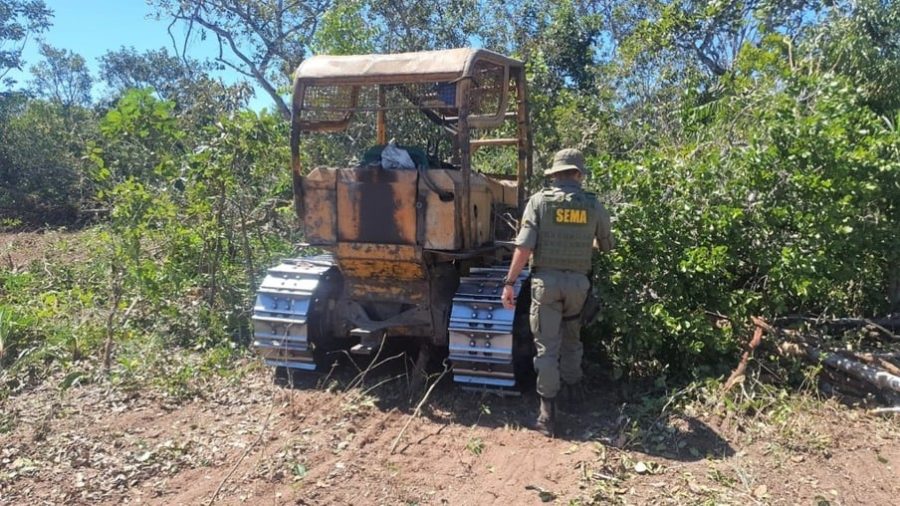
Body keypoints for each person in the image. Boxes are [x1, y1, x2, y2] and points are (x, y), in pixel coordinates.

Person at [501, 148, 614, 437]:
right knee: (573, 337)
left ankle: (547, 415)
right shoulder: (592, 204)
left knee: (547, 348)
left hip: (546, 287)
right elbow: (606, 246)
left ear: (555, 174)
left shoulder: (539, 202)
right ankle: (574, 392)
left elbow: (524, 247)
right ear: (578, 174)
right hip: (579, 285)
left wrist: (510, 283)